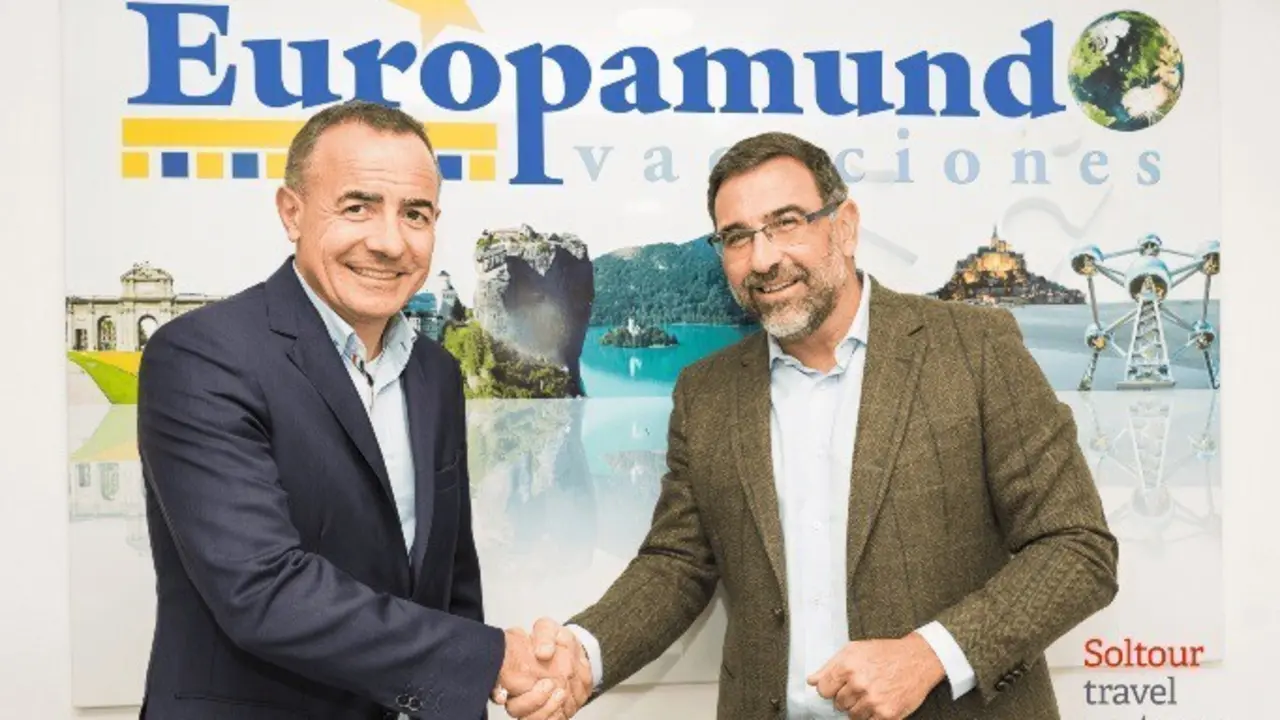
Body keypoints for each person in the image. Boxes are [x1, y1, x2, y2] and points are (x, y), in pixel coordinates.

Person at [498, 131, 1120, 720]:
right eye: (737, 237)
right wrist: (585, 654)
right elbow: (678, 563)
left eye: (787, 223)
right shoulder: (706, 393)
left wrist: (928, 655)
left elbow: (1077, 546)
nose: (764, 258)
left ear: (844, 226)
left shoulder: (974, 348)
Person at [135, 100, 585, 720]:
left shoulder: (435, 372)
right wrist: (491, 659)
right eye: (357, 207)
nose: (389, 242)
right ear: (291, 212)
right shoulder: (201, 356)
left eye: (415, 214)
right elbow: (263, 588)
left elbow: (450, 581)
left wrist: (470, 691)